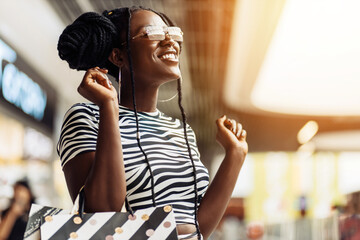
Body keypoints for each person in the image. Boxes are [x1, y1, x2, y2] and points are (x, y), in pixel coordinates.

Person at [56, 6, 248, 240]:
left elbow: (198, 229)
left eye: (172, 34)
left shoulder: (181, 131)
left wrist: (235, 156)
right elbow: (101, 214)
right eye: (153, 33)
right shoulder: (87, 117)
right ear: (118, 56)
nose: (170, 42)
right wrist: (108, 106)